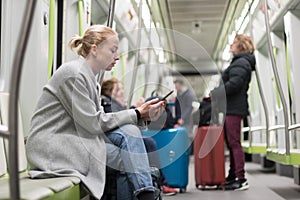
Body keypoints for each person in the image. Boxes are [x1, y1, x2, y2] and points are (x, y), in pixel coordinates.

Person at [25, 25, 166, 200]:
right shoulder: (74, 74)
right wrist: (136, 113)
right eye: (112, 50)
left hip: (75, 141)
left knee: (131, 134)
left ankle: (145, 194)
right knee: (128, 160)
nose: (116, 57)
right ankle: (146, 194)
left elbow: (99, 123)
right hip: (54, 149)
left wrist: (143, 116)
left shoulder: (90, 78)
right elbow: (94, 123)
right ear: (94, 49)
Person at [101, 78, 178, 196]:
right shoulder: (108, 104)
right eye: (118, 89)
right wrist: (136, 111)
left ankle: (152, 185)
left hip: (115, 137)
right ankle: (154, 185)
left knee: (142, 143)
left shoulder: (116, 105)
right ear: (110, 92)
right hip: (107, 139)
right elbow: (114, 123)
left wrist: (139, 112)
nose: (122, 92)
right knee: (145, 143)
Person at [210, 34, 256, 191]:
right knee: (231, 142)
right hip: (233, 108)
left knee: (234, 143)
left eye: (234, 43)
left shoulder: (241, 63)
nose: (231, 45)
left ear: (241, 46)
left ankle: (241, 178)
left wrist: (216, 92)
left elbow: (234, 84)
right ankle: (232, 176)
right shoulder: (240, 62)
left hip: (234, 108)